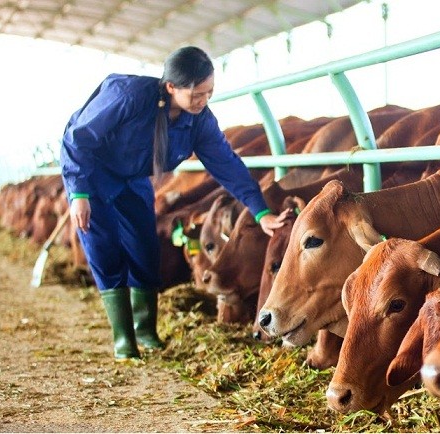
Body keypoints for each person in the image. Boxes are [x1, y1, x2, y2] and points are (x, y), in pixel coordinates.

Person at [60, 46, 285, 360]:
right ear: (171, 87)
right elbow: (78, 138)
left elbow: (226, 164)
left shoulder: (199, 121)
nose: (203, 101)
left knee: (144, 249)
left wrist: (260, 211)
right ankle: (124, 339)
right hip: (94, 174)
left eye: (209, 93)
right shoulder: (128, 96)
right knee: (104, 247)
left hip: (135, 179)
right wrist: (79, 193)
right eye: (197, 94)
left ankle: (146, 332)